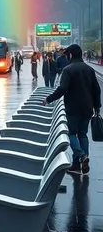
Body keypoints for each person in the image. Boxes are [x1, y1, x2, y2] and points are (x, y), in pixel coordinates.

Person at [42, 44, 101, 175]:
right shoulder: (89, 69)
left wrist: (48, 99)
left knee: (71, 133)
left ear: (70, 55)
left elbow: (62, 89)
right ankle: (78, 165)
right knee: (83, 134)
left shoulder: (68, 70)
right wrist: (97, 107)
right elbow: (97, 90)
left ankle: (81, 156)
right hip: (87, 107)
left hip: (73, 107)